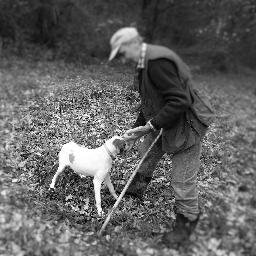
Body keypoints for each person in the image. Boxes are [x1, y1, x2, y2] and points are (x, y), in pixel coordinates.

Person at [108, 27, 214, 248]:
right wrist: (139, 128)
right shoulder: (143, 63)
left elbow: (180, 100)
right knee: (146, 154)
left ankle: (186, 225)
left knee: (182, 181)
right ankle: (135, 191)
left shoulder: (157, 62)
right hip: (164, 120)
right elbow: (152, 98)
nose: (122, 57)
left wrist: (151, 126)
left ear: (133, 44)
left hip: (185, 126)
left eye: (122, 52)